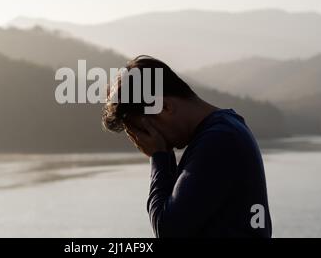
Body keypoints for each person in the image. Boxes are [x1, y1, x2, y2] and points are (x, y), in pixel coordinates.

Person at [102, 55, 272, 238]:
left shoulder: (218, 140)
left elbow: (167, 230)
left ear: (164, 107)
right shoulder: (223, 131)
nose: (145, 141)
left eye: (145, 130)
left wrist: (159, 156)